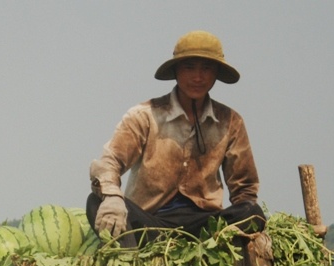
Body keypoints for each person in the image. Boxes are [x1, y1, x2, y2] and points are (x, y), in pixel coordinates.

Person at [87, 30, 266, 245]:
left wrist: (254, 231)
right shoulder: (146, 115)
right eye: (189, 68)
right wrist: (113, 197)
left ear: (216, 73)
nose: (197, 77)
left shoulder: (230, 121)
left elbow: (244, 188)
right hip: (150, 223)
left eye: (206, 69)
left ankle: (209, 252)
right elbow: (109, 161)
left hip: (205, 228)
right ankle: (133, 260)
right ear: (176, 71)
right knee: (95, 201)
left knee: (252, 212)